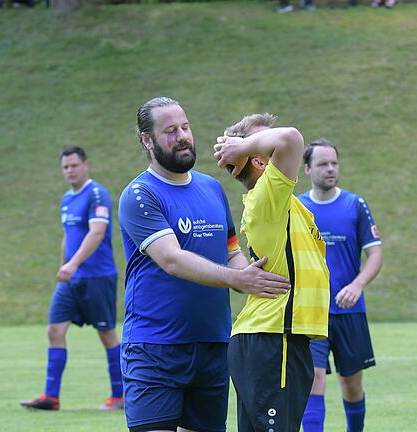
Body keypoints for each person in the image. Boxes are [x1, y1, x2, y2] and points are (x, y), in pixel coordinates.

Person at [118, 97, 290, 432]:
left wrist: (260, 277)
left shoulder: (211, 188)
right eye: (169, 131)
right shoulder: (139, 195)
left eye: (185, 127)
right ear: (147, 140)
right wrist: (240, 280)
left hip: (213, 346)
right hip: (155, 347)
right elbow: (172, 259)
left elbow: (230, 252)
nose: (182, 136)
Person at [213, 113, 329, 432]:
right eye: (265, 140)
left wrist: (244, 147)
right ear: (260, 161)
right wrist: (242, 147)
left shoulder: (285, 203)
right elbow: (290, 139)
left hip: (277, 341)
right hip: (272, 341)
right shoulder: (267, 197)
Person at [20, 146, 124, 411]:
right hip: (71, 279)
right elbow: (68, 234)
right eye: (65, 167)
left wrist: (74, 263)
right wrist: (63, 265)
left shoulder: (97, 194)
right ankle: (51, 398)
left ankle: (120, 396)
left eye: (74, 165)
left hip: (97, 277)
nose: (70, 171)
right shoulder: (67, 198)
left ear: (85, 165)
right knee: (54, 331)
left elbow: (97, 233)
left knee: (107, 334)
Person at [297, 138, 383, 432]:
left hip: (350, 312)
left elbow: (375, 254)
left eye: (334, 163)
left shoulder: (355, 205)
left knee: (352, 384)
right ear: (307, 169)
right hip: (312, 313)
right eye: (323, 164)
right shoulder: (296, 208)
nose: (330, 169)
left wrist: (357, 285)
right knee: (313, 380)